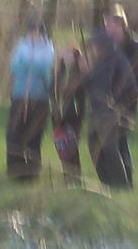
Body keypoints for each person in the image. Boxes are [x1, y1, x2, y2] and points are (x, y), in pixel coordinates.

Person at [85, 28, 138, 189]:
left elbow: (101, 88)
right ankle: (114, 184)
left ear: (102, 45)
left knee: (107, 149)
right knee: (109, 147)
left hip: (109, 113)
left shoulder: (110, 61)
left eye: (94, 45)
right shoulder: (112, 58)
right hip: (111, 111)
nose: (93, 49)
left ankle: (119, 185)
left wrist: (85, 73)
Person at [104, 7, 138, 186]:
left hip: (127, 104)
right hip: (106, 104)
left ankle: (125, 182)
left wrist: (124, 99)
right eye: (106, 25)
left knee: (120, 142)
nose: (109, 29)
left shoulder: (135, 49)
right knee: (109, 144)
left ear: (122, 25)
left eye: (112, 25)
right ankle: (112, 182)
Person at [6, 19, 54, 180]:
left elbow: (47, 70)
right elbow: (14, 67)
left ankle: (32, 172)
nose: (33, 35)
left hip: (40, 97)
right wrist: (30, 66)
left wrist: (29, 66)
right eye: (31, 31)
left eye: (37, 32)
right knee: (15, 133)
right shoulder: (22, 46)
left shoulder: (48, 48)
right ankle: (15, 170)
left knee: (34, 135)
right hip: (20, 95)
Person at [51, 43, 89, 181]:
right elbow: (53, 94)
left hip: (72, 117)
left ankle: (75, 176)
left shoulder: (78, 76)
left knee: (71, 146)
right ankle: (67, 174)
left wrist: (80, 118)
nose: (65, 56)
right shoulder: (58, 74)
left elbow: (81, 100)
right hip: (58, 117)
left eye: (69, 54)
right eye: (65, 53)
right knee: (61, 145)